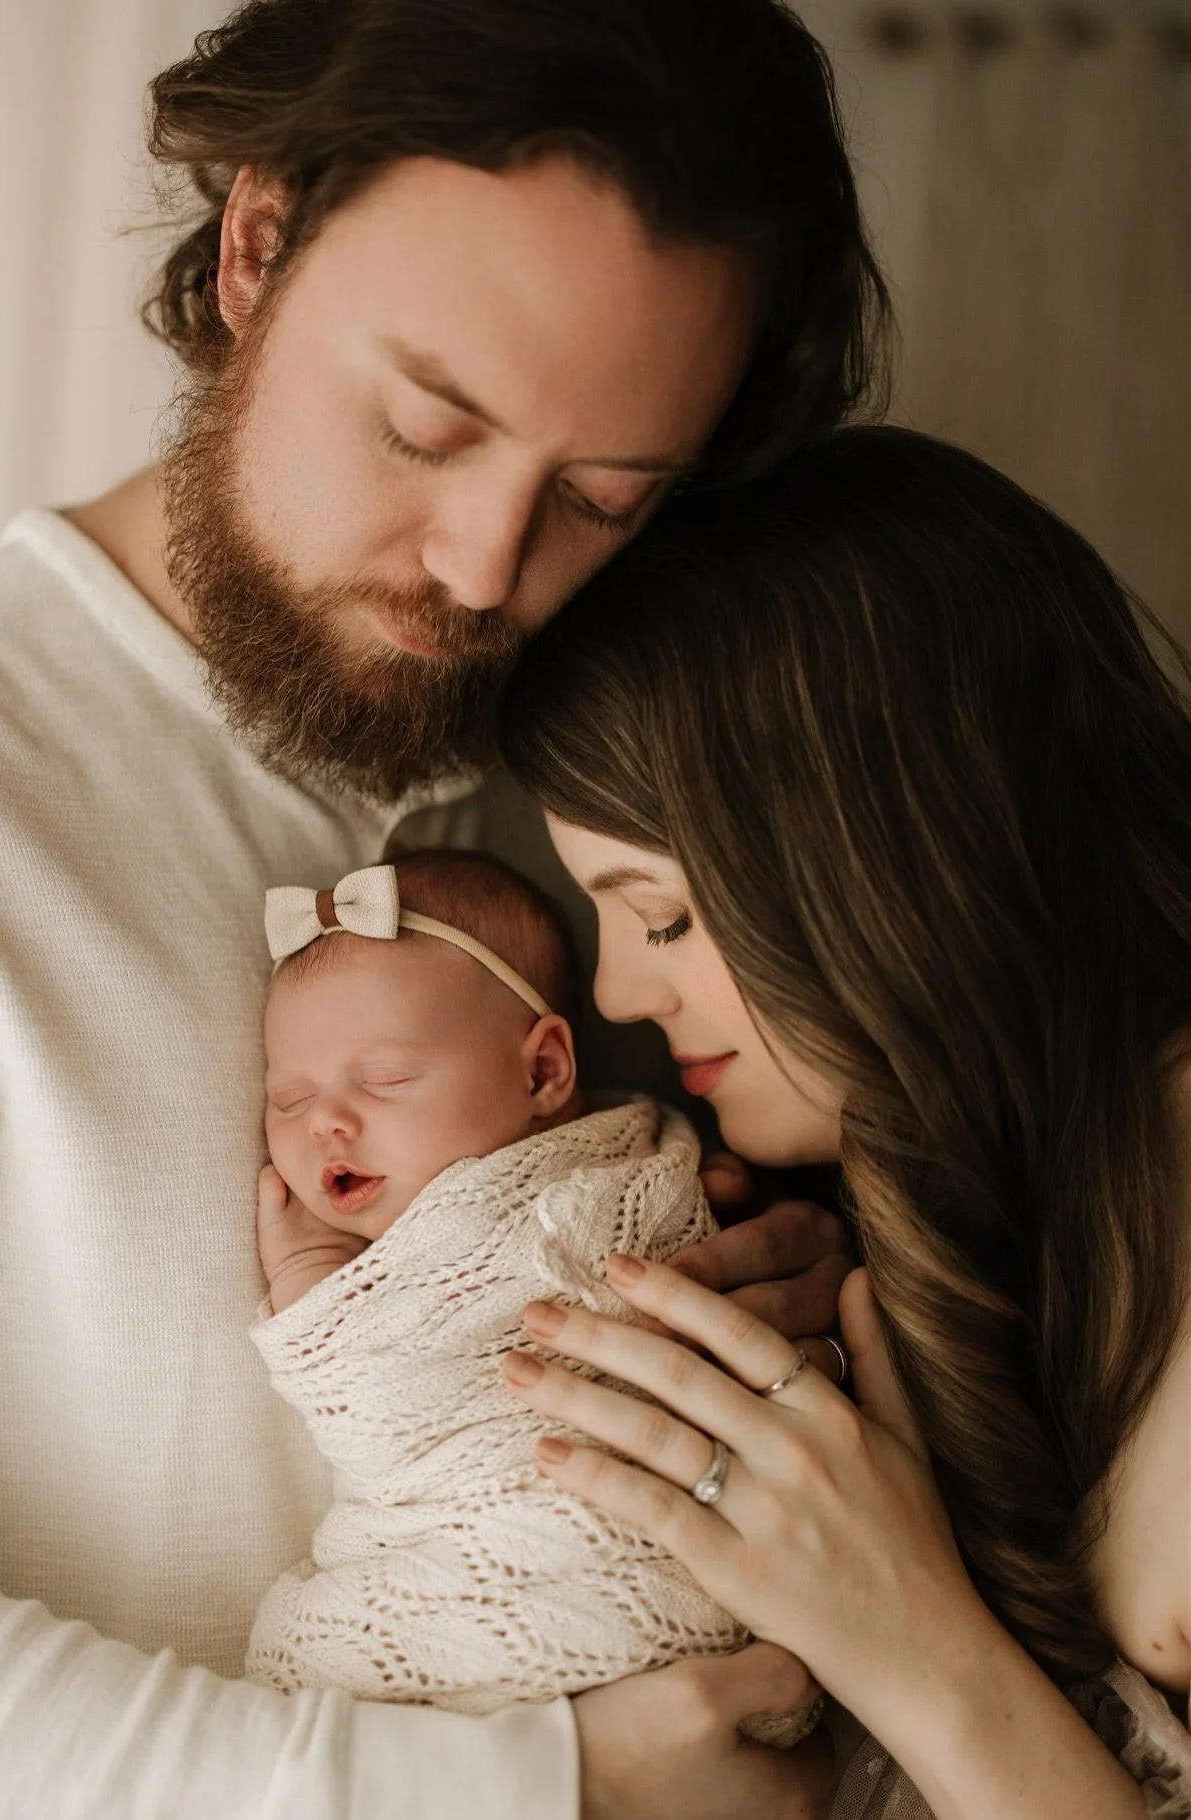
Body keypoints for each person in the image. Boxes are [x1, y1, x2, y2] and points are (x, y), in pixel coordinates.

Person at [0, 3, 884, 1815]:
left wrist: (772, 1311)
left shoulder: (598, 787)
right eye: (424, 426)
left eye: (599, 501)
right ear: (256, 244)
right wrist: (548, 1788)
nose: (482, 569)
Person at [494, 425, 1191, 1819]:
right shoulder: (929, 1229)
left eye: (662, 916)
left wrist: (911, 1643)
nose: (619, 991)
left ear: (886, 857)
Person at [248, 847, 821, 1727]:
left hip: (630, 1556)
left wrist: (306, 1285)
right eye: (288, 1099)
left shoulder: (632, 1179)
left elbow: (384, 1402)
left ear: (544, 1072)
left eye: (385, 1080)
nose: (325, 1120)